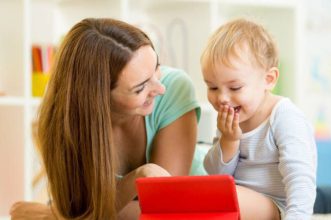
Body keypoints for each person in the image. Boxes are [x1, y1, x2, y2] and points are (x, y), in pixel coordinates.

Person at [10, 18, 200, 219]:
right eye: (140, 88)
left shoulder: (174, 88)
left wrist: (55, 215)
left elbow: (166, 210)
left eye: (156, 67)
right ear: (98, 98)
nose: (159, 88)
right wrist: (138, 176)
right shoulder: (63, 124)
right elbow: (79, 210)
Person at [201, 18, 317, 220]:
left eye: (235, 87)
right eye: (212, 87)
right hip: (239, 203)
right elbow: (216, 174)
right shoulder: (231, 115)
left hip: (276, 207)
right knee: (210, 195)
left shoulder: (285, 117)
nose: (222, 98)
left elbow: (300, 178)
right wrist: (229, 141)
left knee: (220, 198)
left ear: (268, 79)